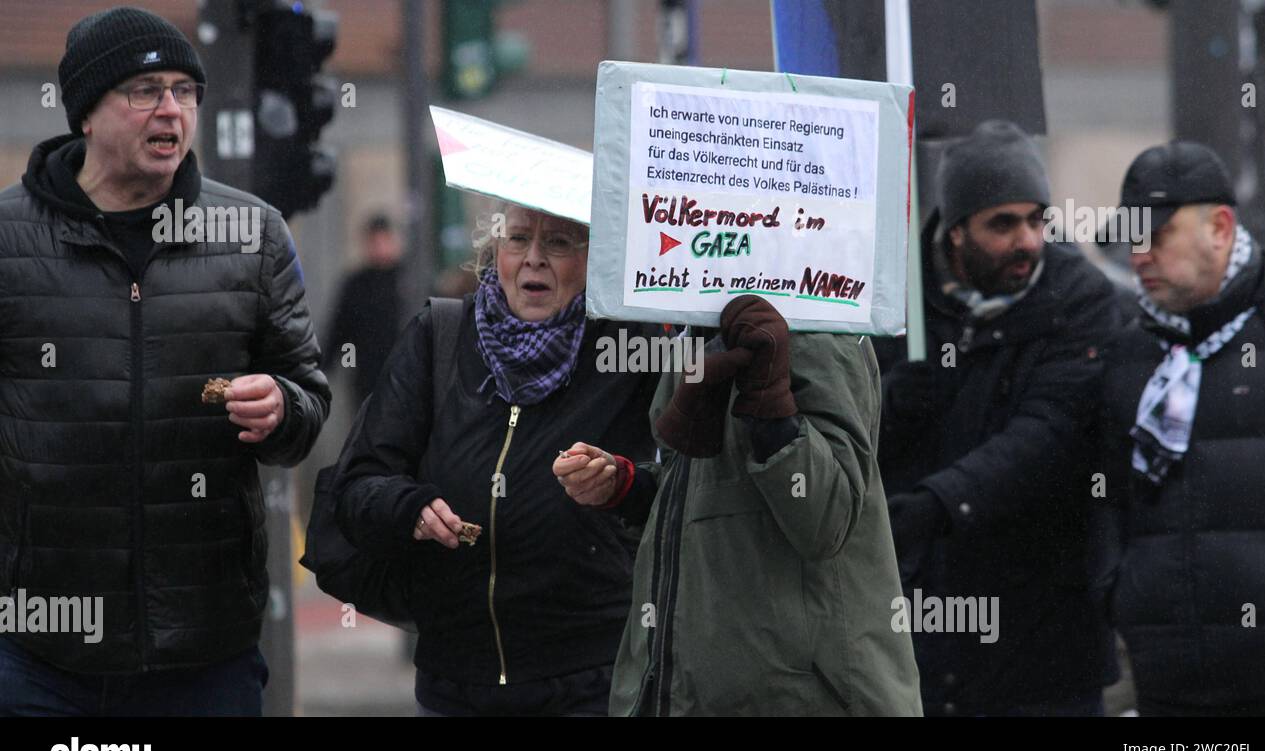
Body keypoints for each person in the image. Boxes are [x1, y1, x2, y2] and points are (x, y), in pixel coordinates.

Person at [0, 7, 329, 716]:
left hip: (204, 650)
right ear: (87, 112)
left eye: (186, 91)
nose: (171, 110)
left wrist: (281, 405)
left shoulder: (251, 234)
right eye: (146, 90)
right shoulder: (7, 241)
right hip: (39, 655)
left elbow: (308, 397)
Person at [334, 203, 658, 716]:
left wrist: (621, 483)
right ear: (494, 254)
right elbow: (358, 485)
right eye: (517, 240)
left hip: (590, 683)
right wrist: (408, 507)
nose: (533, 259)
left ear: (593, 260)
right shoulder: (438, 333)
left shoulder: (630, 348)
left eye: (557, 243)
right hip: (453, 683)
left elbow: (683, 486)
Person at [557, 295, 922, 716]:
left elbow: (827, 518)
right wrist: (627, 487)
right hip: (697, 691)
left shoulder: (819, 329)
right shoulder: (702, 328)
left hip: (792, 697)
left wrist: (771, 412)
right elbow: (706, 492)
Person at [874, 120, 1119, 716]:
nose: (1028, 240)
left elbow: (1048, 433)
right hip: (918, 635)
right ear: (956, 230)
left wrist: (936, 503)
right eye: (1003, 224)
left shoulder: (1077, 300)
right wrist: (886, 402)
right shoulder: (893, 301)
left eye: (1037, 219)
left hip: (1044, 638)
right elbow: (837, 429)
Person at [1093, 141, 1265, 716]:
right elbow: (1104, 497)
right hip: (1166, 687)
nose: (1138, 256)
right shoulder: (1129, 353)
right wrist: (1121, 594)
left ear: (1220, 227)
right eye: (1131, 237)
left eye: (1156, 236)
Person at [324, 213, 404, 408]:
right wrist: (348, 365)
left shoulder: (407, 279)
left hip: (404, 373)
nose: (379, 246)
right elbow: (342, 331)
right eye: (375, 241)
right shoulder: (357, 285)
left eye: (383, 240)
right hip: (367, 376)